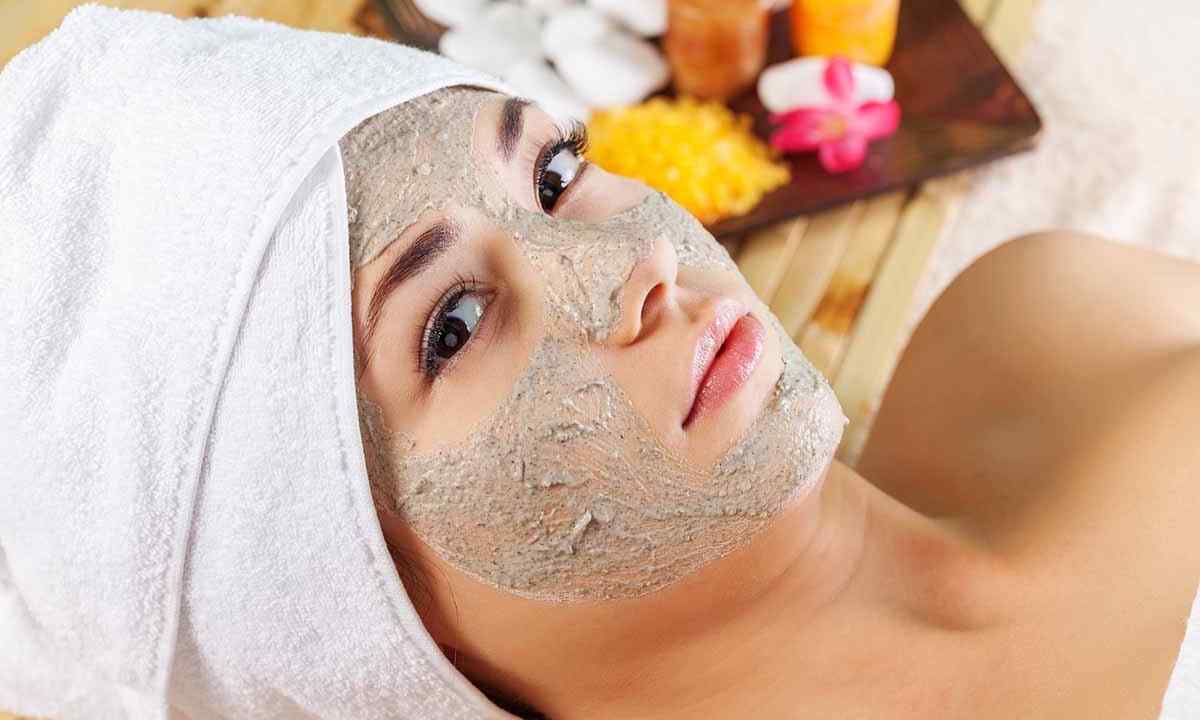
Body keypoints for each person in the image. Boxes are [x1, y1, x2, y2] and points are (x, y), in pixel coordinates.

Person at [1, 7, 1195, 720]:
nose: (632, 265)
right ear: (354, 630)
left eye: (553, 175)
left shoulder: (1059, 324)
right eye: (453, 325)